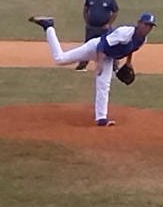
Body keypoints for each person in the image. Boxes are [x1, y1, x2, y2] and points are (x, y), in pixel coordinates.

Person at [28, 12, 156, 127]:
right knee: (60, 59)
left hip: (108, 57)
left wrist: (128, 63)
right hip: (95, 48)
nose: (147, 28)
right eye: (145, 24)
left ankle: (101, 118)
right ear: (139, 23)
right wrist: (99, 63)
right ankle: (49, 26)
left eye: (150, 26)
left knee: (104, 84)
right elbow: (102, 44)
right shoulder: (124, 33)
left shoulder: (142, 39)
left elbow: (132, 49)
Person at [75, 0, 119, 72]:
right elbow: (85, 10)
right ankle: (82, 64)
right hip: (92, 27)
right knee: (87, 46)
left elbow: (115, 11)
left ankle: (114, 66)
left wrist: (109, 23)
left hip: (104, 27)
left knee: (109, 45)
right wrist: (87, 21)